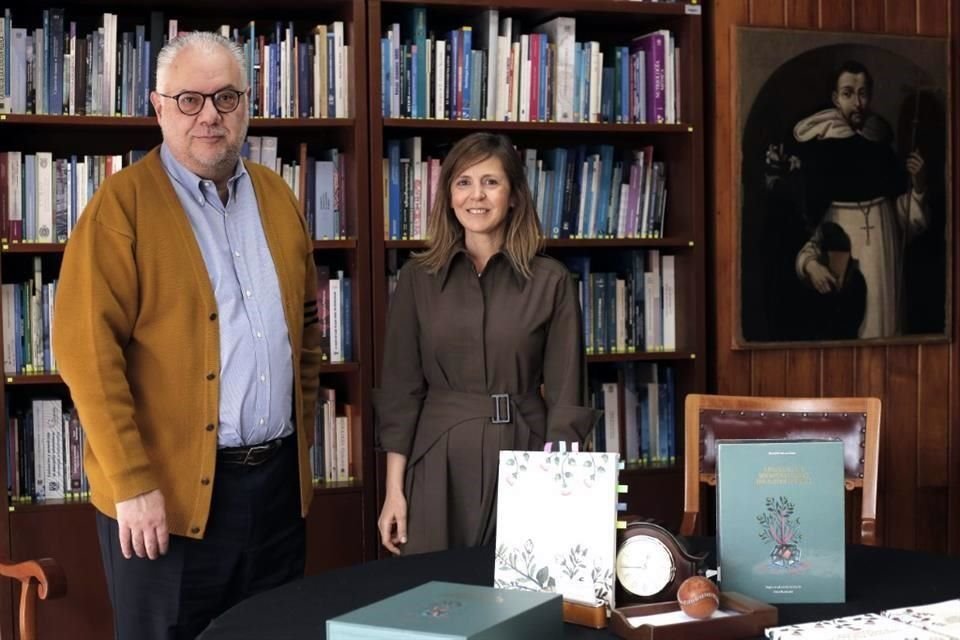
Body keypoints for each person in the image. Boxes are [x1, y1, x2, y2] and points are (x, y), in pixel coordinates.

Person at [52, 32, 323, 639]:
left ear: (248, 105)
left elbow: (305, 335)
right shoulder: (120, 207)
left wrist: (299, 444)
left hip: (276, 493)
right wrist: (133, 483)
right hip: (167, 504)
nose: (209, 115)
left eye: (226, 98)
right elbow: (86, 356)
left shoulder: (278, 197)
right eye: (189, 100)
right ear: (158, 106)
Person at [373, 132, 599, 556]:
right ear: (449, 195)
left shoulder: (551, 280)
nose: (476, 196)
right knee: (436, 602)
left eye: (491, 182)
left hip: (528, 454)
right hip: (438, 458)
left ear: (513, 196)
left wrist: (560, 490)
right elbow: (401, 393)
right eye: (463, 182)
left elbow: (568, 397)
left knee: (523, 603)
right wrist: (394, 491)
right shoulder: (417, 279)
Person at [764, 60, 928, 339]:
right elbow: (808, 229)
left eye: (863, 93)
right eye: (848, 93)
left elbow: (905, 222)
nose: (858, 103)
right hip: (845, 265)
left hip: (884, 261)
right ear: (835, 98)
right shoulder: (820, 151)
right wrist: (810, 265)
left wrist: (919, 183)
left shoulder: (881, 147)